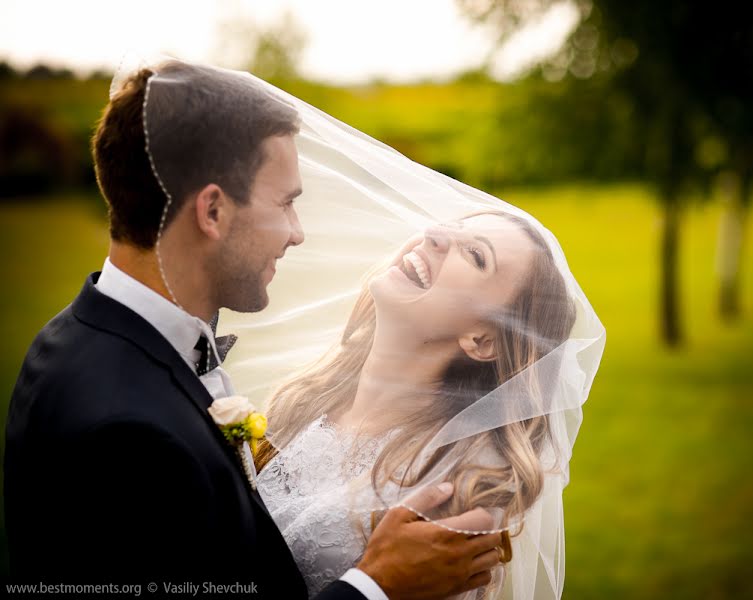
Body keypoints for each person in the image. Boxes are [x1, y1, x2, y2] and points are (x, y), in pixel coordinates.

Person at [4, 60, 504, 599]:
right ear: (213, 211)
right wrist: (376, 586)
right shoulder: (129, 436)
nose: (297, 234)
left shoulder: (77, 337)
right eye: (287, 203)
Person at [254, 210, 580, 599]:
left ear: (482, 340)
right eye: (451, 226)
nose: (434, 233)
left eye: (476, 255)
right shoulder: (304, 399)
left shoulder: (461, 482)